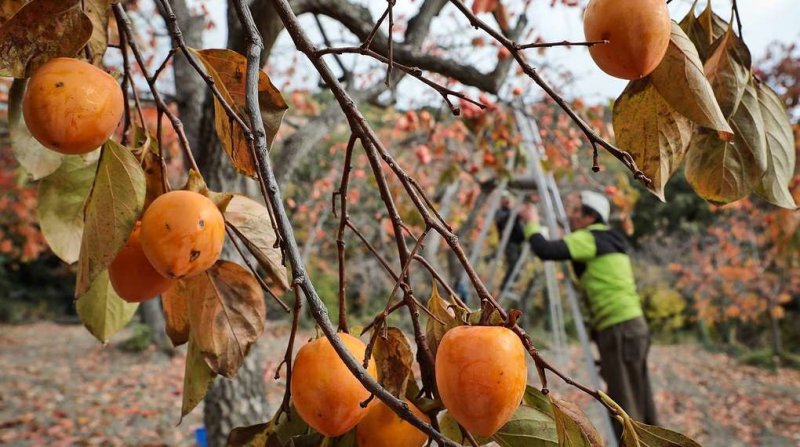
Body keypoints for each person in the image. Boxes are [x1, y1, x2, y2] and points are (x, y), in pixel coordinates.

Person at [518, 190, 658, 437]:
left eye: (575, 212)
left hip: (618, 328)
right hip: (632, 325)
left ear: (590, 216)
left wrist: (531, 223)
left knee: (625, 405)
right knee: (639, 395)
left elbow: (546, 249)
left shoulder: (590, 238)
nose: (570, 218)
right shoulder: (611, 239)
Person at [494, 192, 526, 291]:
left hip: (518, 242)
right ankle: (505, 286)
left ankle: (512, 283)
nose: (506, 201)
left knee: (519, 264)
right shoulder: (500, 212)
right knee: (513, 263)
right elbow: (502, 220)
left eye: (508, 199)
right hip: (509, 242)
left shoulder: (511, 212)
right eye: (504, 199)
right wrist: (514, 212)